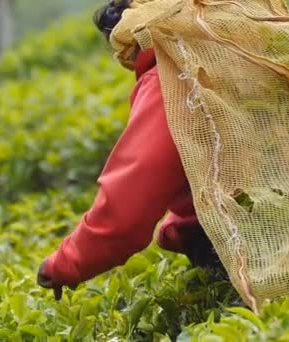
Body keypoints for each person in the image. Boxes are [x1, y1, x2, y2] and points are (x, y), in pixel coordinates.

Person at [36, 0, 219, 300]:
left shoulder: (169, 79)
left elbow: (127, 209)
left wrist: (64, 264)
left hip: (250, 247)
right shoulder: (237, 48)